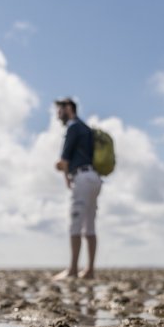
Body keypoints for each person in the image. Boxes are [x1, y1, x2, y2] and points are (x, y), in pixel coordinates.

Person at [54, 97, 100, 280]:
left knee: (75, 223)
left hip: (81, 178)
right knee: (90, 225)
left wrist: (60, 168)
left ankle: (72, 269)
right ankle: (89, 270)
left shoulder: (73, 127)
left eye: (59, 110)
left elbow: (63, 161)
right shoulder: (87, 129)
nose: (58, 115)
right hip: (94, 178)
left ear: (68, 108)